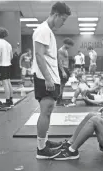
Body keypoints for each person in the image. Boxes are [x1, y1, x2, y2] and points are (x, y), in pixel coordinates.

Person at [31, 1, 71, 159]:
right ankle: (41, 149)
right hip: (44, 78)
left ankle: (45, 142)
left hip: (51, 78)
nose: (63, 23)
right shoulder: (42, 30)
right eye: (63, 19)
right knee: (45, 111)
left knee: (48, 111)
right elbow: (39, 55)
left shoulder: (47, 31)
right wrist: (48, 79)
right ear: (56, 15)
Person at [0, 27, 14, 108]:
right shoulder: (8, 44)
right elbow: (12, 56)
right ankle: (11, 100)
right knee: (8, 82)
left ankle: (7, 101)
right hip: (8, 65)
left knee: (5, 83)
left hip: (2, 65)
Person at [57, 38, 74, 105]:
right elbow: (60, 62)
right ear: (66, 44)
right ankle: (59, 100)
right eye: (70, 45)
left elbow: (66, 61)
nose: (70, 47)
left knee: (63, 85)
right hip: (62, 69)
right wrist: (63, 71)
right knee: (61, 85)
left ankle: (60, 99)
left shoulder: (65, 50)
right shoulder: (61, 50)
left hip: (65, 68)